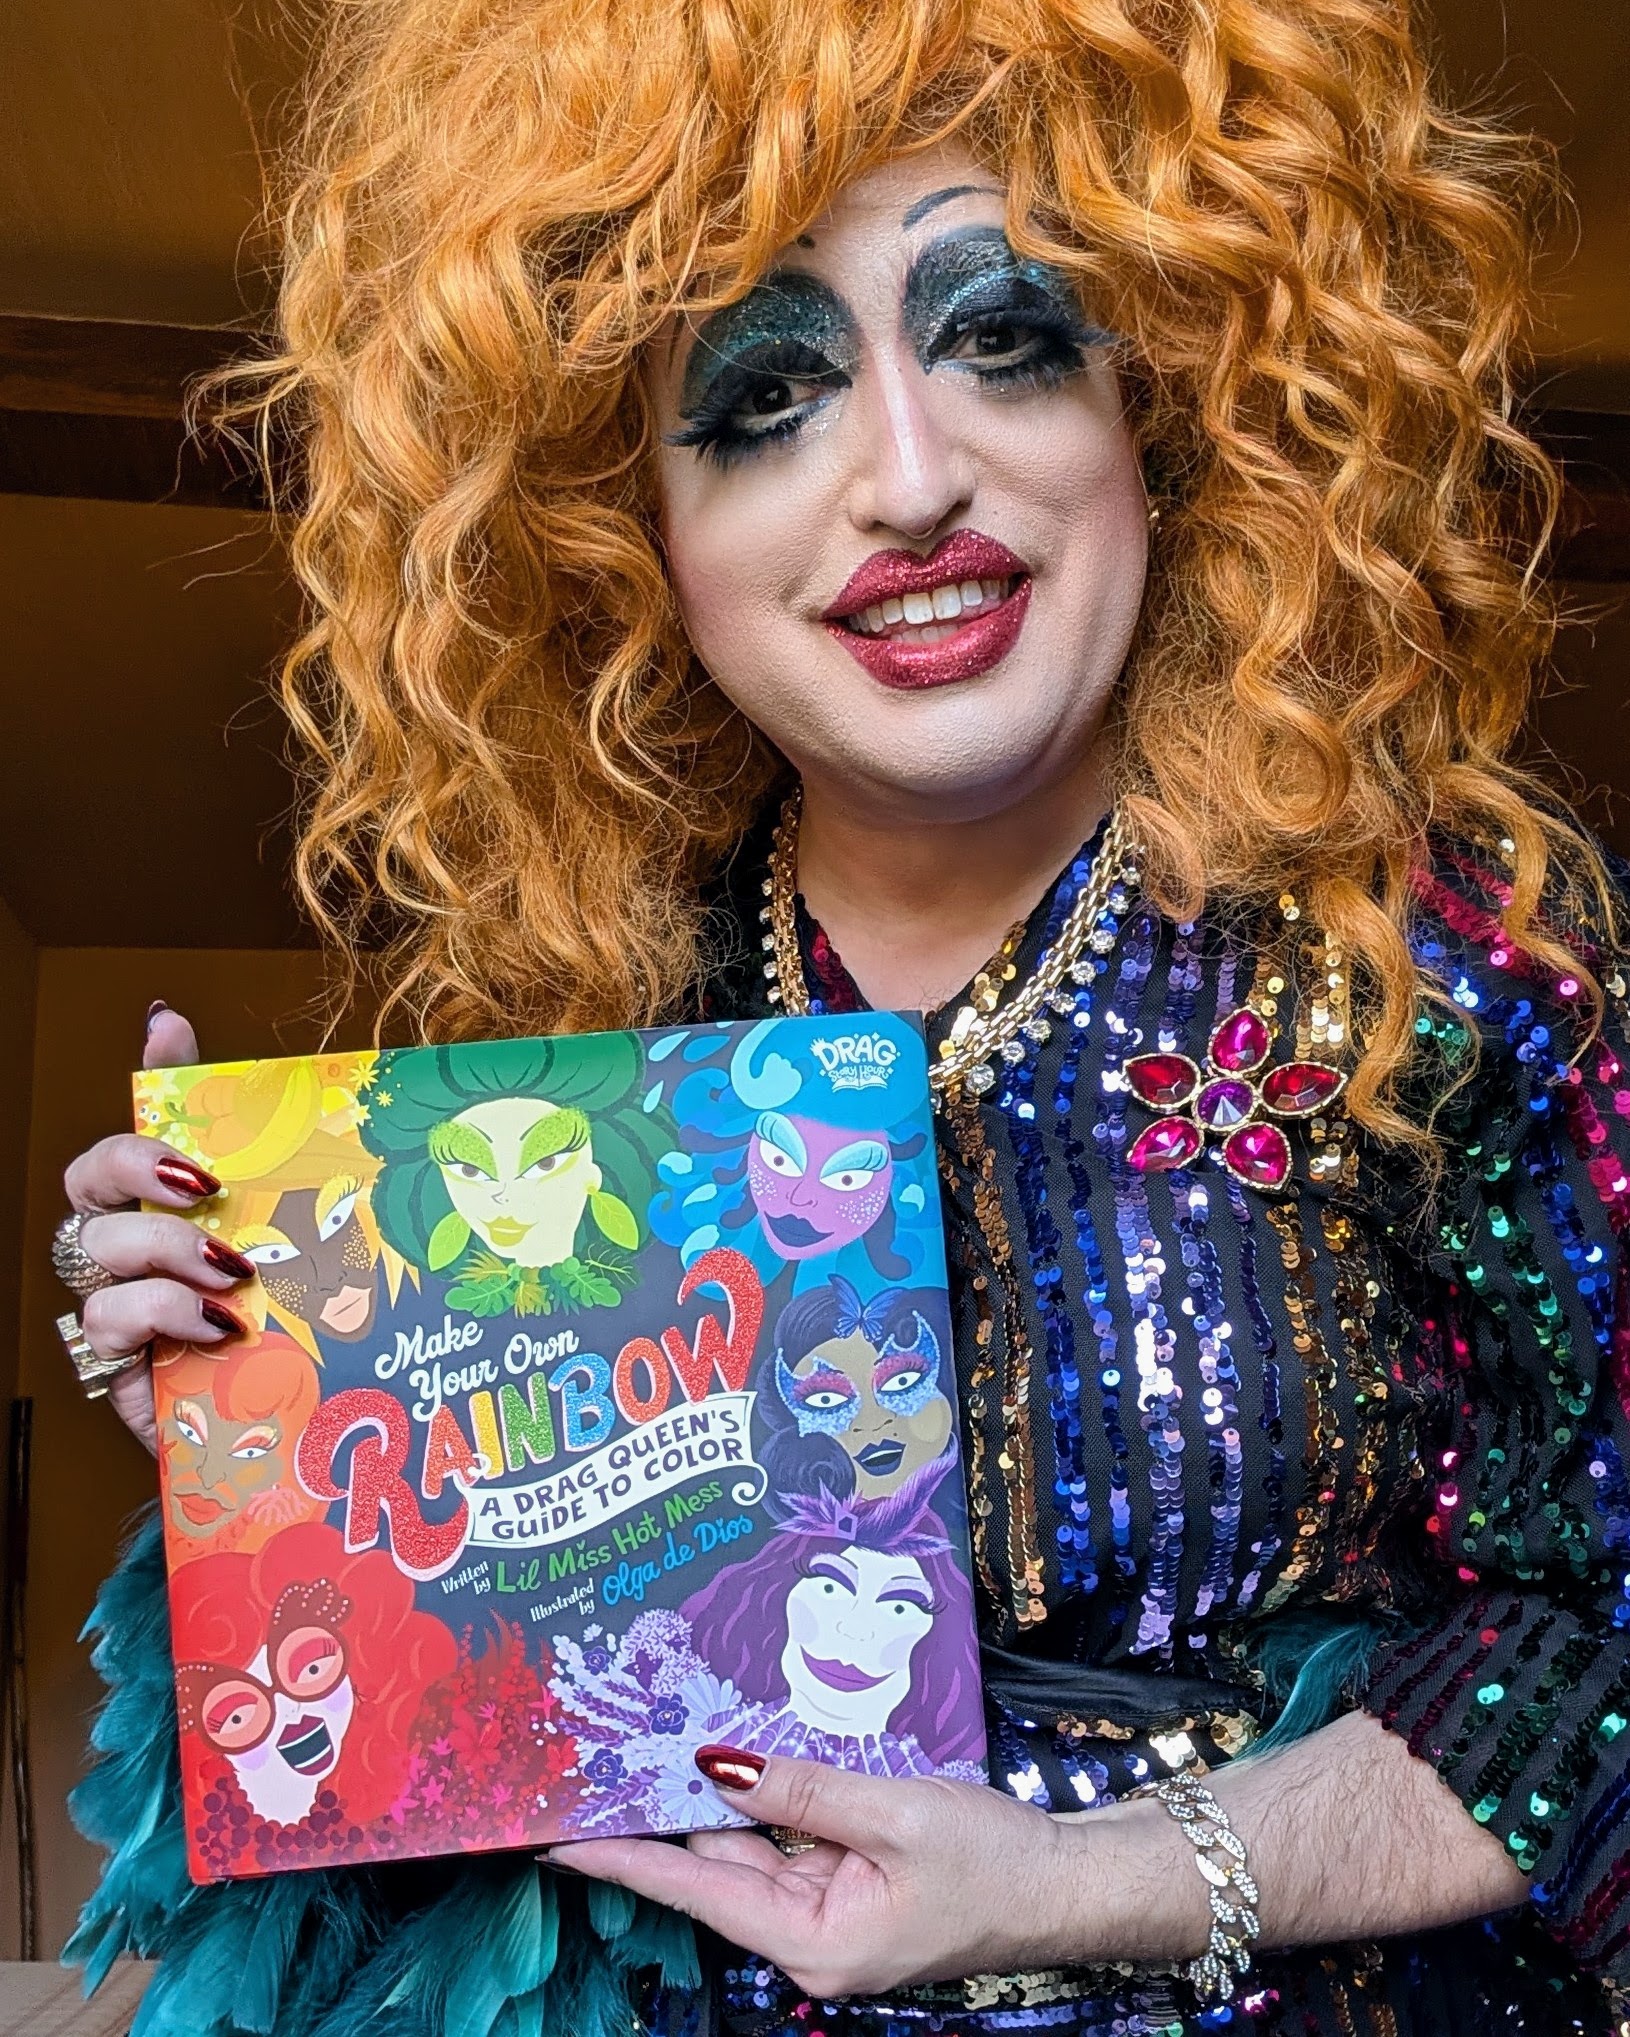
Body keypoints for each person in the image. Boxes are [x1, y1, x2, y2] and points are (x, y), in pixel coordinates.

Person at [45, 1, 1630, 2032]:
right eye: (763, 393)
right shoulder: (560, 1049)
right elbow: (453, 1722)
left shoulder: (1463, 964)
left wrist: (1094, 1880)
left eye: (1007, 336)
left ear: (1154, 410)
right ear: (628, 533)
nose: (907, 474)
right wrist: (254, 1415)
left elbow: (1595, 1655)